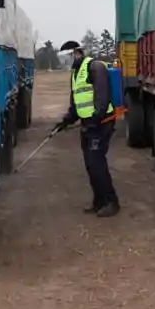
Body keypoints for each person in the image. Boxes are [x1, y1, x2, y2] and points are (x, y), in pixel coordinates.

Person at [53, 40, 120, 217]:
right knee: (91, 164)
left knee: (97, 162)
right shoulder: (76, 74)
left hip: (101, 123)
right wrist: (66, 121)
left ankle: (111, 202)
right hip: (88, 125)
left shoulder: (95, 67)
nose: (67, 62)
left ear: (78, 53)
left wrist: (95, 120)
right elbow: (76, 105)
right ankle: (99, 201)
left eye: (68, 57)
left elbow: (102, 97)